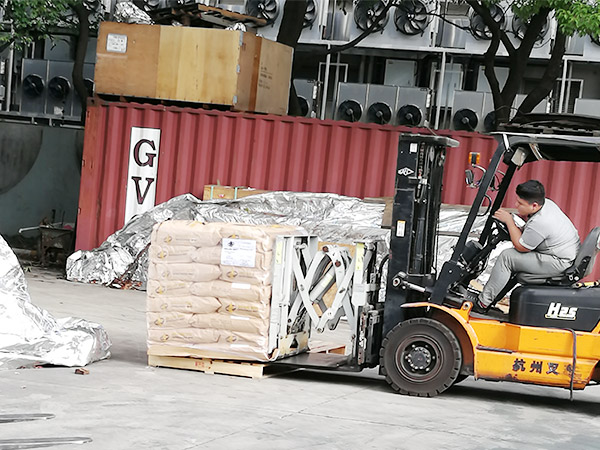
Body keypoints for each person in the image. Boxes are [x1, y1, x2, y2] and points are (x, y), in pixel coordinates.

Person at [472, 180, 580, 314]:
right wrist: (512, 226)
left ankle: (483, 303)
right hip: (558, 256)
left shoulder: (542, 221)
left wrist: (509, 221)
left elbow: (521, 247)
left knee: (508, 257)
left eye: (520, 203)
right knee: (513, 260)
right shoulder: (546, 205)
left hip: (559, 262)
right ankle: (491, 300)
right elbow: (528, 232)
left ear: (534, 205)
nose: (516, 205)